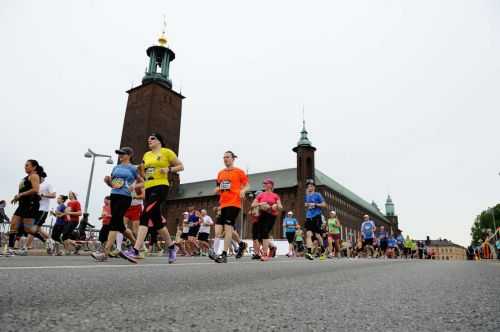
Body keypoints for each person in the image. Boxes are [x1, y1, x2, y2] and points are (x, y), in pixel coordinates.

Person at [122, 133, 184, 264]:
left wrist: (168, 169)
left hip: (161, 187)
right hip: (149, 188)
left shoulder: (166, 152)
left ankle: (136, 249)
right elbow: (144, 172)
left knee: (145, 215)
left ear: (159, 141)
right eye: (148, 139)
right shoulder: (146, 155)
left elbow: (181, 166)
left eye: (152, 138)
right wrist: (140, 172)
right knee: (157, 223)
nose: (149, 140)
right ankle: (172, 247)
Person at [91, 147, 142, 262]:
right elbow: (113, 184)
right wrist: (108, 181)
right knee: (120, 226)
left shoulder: (133, 168)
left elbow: (143, 182)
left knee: (114, 222)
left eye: (122, 154)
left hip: (125, 197)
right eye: (119, 154)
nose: (120, 155)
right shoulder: (116, 168)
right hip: (114, 195)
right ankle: (138, 246)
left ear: (129, 155)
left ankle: (105, 253)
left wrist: (134, 186)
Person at [213, 151, 249, 263]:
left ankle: (223, 254)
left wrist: (243, 190)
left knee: (228, 228)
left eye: (227, 157)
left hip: (234, 203)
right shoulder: (220, 173)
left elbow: (247, 185)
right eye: (224, 157)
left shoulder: (239, 172)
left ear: (233, 159)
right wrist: (217, 190)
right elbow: (219, 188)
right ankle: (241, 244)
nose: (225, 159)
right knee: (218, 230)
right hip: (223, 204)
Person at [7, 160, 43, 257]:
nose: (25, 167)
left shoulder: (34, 176)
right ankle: (10, 249)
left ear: (34, 167)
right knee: (13, 224)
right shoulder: (26, 178)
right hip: (22, 205)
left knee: (28, 230)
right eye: (25, 166)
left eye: (27, 165)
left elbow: (36, 190)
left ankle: (47, 240)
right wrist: (17, 197)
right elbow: (23, 190)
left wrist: (21, 194)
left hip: (31, 205)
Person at [250, 178, 282, 261]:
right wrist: (261, 204)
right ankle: (264, 252)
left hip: (271, 215)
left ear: (270, 185)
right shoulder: (261, 195)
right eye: (263, 183)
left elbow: (281, 207)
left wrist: (276, 206)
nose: (264, 184)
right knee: (261, 234)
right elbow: (253, 204)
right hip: (262, 215)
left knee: (265, 233)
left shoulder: (275, 195)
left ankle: (265, 254)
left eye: (266, 183)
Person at [26, 171, 56, 251]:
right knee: (38, 229)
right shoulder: (36, 185)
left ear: (41, 177)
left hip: (43, 210)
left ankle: (26, 246)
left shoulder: (47, 185)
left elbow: (53, 195)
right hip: (35, 209)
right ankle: (51, 241)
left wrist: (43, 195)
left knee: (34, 228)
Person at [303, 180, 327, 260]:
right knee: (308, 234)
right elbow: (306, 204)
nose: (309, 187)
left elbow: (324, 204)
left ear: (314, 187)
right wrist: (307, 204)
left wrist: (315, 204)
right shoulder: (307, 196)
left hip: (317, 216)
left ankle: (323, 251)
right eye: (308, 186)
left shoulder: (318, 195)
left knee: (317, 235)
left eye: (311, 186)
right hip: (309, 217)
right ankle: (309, 253)